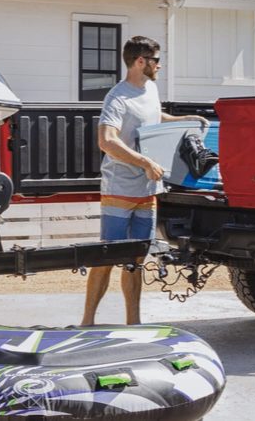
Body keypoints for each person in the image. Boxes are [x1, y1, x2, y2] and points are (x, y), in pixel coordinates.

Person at [80, 36, 208, 326]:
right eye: (156, 60)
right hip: (120, 189)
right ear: (141, 62)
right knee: (107, 257)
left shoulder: (150, 89)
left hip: (147, 189)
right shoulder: (117, 97)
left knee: (136, 260)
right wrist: (145, 162)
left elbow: (149, 118)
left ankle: (134, 324)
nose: (159, 65)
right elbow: (106, 140)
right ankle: (87, 323)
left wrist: (180, 120)